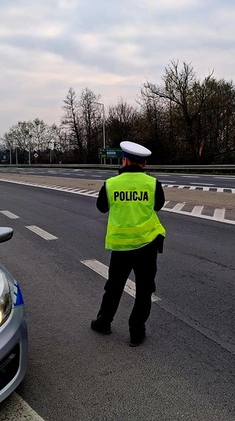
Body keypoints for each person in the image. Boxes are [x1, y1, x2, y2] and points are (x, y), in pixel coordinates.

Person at [91, 140, 166, 347]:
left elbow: (101, 207)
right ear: (144, 163)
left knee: (114, 287)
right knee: (144, 290)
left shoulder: (111, 184)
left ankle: (104, 322)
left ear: (124, 160)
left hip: (121, 248)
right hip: (147, 246)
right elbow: (158, 206)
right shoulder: (153, 184)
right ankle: (136, 332)